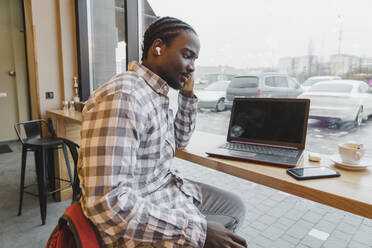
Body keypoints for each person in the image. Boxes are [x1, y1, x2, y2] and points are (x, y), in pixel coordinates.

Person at [78, 16, 247, 248]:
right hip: (141, 209)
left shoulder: (155, 93)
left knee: (234, 206)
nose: (193, 67)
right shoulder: (124, 97)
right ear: (158, 47)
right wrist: (198, 232)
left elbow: (179, 141)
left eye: (195, 59)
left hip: (166, 189)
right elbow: (107, 205)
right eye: (187, 55)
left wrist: (187, 95)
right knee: (224, 229)